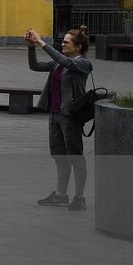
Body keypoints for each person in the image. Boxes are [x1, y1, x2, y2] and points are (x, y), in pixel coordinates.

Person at [26, 25, 94, 211]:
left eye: (67, 42)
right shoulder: (59, 63)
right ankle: (60, 194)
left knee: (75, 157)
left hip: (70, 116)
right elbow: (35, 66)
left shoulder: (82, 63)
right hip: (55, 114)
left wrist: (41, 42)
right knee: (59, 156)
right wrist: (31, 47)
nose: (62, 43)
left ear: (78, 47)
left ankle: (80, 197)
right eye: (62, 41)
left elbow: (67, 63)